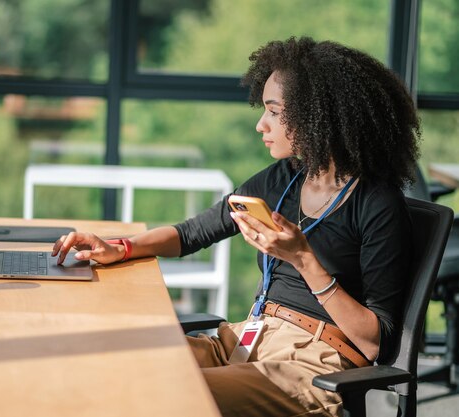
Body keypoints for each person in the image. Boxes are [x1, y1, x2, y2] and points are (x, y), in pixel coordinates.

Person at [52, 36, 420, 417]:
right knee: (114, 359)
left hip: (312, 362)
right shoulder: (285, 178)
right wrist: (121, 247)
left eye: (274, 112)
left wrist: (304, 260)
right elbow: (193, 232)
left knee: (168, 390)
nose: (261, 125)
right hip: (245, 339)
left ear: (317, 114)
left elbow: (375, 342)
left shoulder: (377, 204)